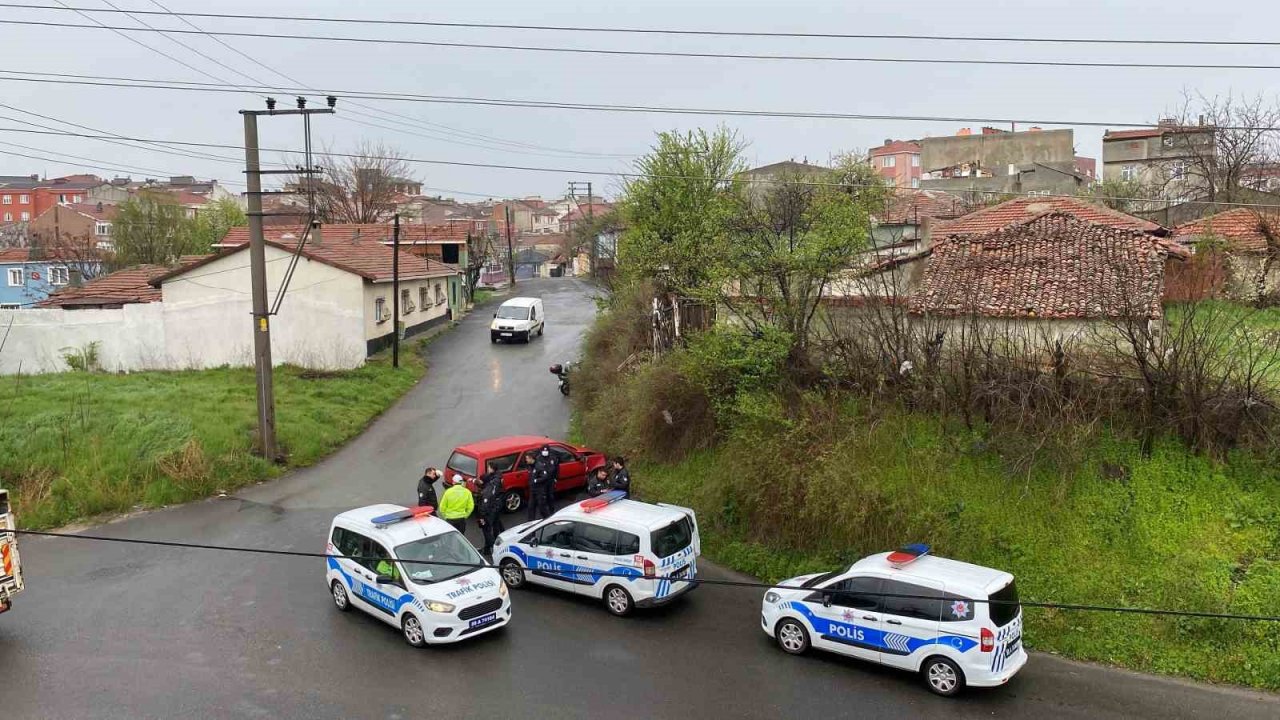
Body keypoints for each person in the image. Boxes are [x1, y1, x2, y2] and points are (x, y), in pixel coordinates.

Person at [476, 469, 506, 557]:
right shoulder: (491, 486)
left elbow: (484, 506)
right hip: (494, 511)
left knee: (486, 531)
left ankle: (495, 548)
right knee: (492, 528)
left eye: (480, 480)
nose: (479, 481)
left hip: (487, 514)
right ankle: (486, 550)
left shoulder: (486, 492)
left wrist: (481, 516)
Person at [527, 446, 559, 521]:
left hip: (550, 480)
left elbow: (557, 468)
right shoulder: (538, 458)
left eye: (546, 450)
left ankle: (551, 512)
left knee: (550, 496)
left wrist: (556, 478)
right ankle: (533, 520)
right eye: (544, 450)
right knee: (536, 504)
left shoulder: (552, 458)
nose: (545, 452)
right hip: (541, 484)